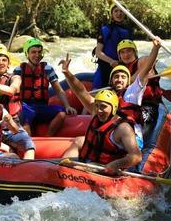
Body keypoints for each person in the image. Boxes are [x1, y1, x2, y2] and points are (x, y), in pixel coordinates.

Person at [59, 37, 162, 173]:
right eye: (116, 77)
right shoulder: (105, 99)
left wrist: (155, 48)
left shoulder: (132, 93)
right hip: (110, 133)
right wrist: (67, 74)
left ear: (129, 80)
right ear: (111, 80)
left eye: (123, 77)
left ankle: (85, 170)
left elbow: (146, 69)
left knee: (118, 135)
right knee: (79, 141)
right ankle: (63, 171)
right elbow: (81, 92)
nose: (119, 79)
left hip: (128, 137)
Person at [14, 38, 77, 136]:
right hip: (25, 105)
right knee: (24, 116)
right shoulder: (19, 70)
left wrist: (67, 106)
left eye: (39, 52)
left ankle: (47, 138)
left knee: (61, 113)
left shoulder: (48, 69)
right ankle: (28, 144)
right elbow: (14, 89)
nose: (37, 55)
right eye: (33, 52)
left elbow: (59, 90)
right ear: (27, 54)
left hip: (42, 106)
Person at [0, 44, 36, 159]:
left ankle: (28, 169)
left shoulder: (15, 78)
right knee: (8, 151)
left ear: (8, 64)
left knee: (30, 146)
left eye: (4, 60)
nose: (1, 63)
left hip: (12, 124)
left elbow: (12, 90)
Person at [116, 39, 164, 136]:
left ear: (135, 52)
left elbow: (148, 62)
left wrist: (155, 49)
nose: (126, 54)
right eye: (123, 52)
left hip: (147, 106)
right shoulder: (121, 71)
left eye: (129, 51)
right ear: (119, 56)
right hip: (131, 106)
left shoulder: (140, 61)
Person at [92, 3, 134, 89]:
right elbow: (98, 52)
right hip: (106, 65)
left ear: (125, 14)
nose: (119, 14)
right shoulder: (105, 29)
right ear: (112, 14)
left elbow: (131, 52)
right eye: (116, 11)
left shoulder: (128, 30)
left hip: (123, 66)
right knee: (98, 87)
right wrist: (111, 61)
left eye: (121, 11)